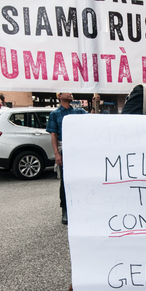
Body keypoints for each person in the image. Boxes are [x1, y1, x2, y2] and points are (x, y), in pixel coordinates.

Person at [46, 92, 87, 225]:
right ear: (59, 96)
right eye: (66, 92)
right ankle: (65, 209)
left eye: (71, 92)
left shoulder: (79, 112)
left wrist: (96, 103)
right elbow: (53, 135)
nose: (70, 93)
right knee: (65, 181)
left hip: (79, 149)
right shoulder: (55, 114)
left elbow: (93, 120)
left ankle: (80, 208)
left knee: (80, 179)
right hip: (65, 149)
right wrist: (57, 153)